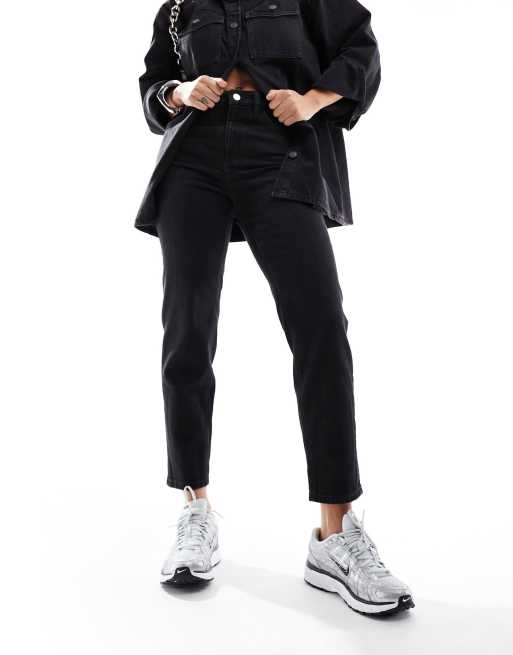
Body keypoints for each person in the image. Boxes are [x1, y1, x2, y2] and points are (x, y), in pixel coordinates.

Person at [137, 0, 414, 616]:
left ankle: (335, 535)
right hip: (193, 161)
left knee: (321, 330)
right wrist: (179, 91)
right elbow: (153, 86)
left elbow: (361, 51)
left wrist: (311, 100)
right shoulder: (181, 5)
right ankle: (195, 511)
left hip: (281, 152)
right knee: (187, 333)